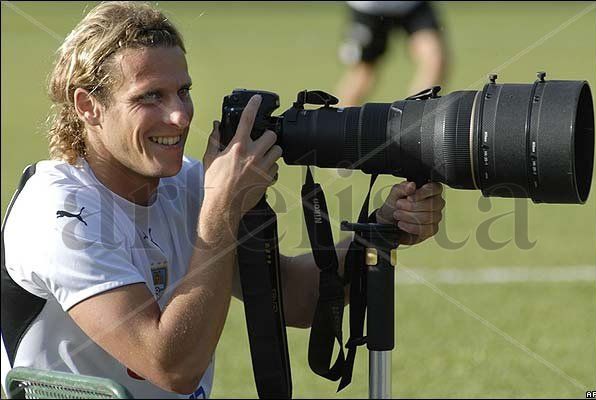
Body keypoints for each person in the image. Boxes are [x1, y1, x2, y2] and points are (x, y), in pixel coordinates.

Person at [0, 2, 445, 398]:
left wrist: (385, 228)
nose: (178, 115)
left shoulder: (188, 182)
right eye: (150, 96)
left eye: (183, 91)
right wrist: (221, 210)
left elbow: (295, 296)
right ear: (88, 106)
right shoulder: (59, 212)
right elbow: (171, 368)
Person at [336, 1, 447, 106]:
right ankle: (337, 123)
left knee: (435, 60)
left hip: (412, 6)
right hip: (369, 8)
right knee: (363, 73)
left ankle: (414, 118)